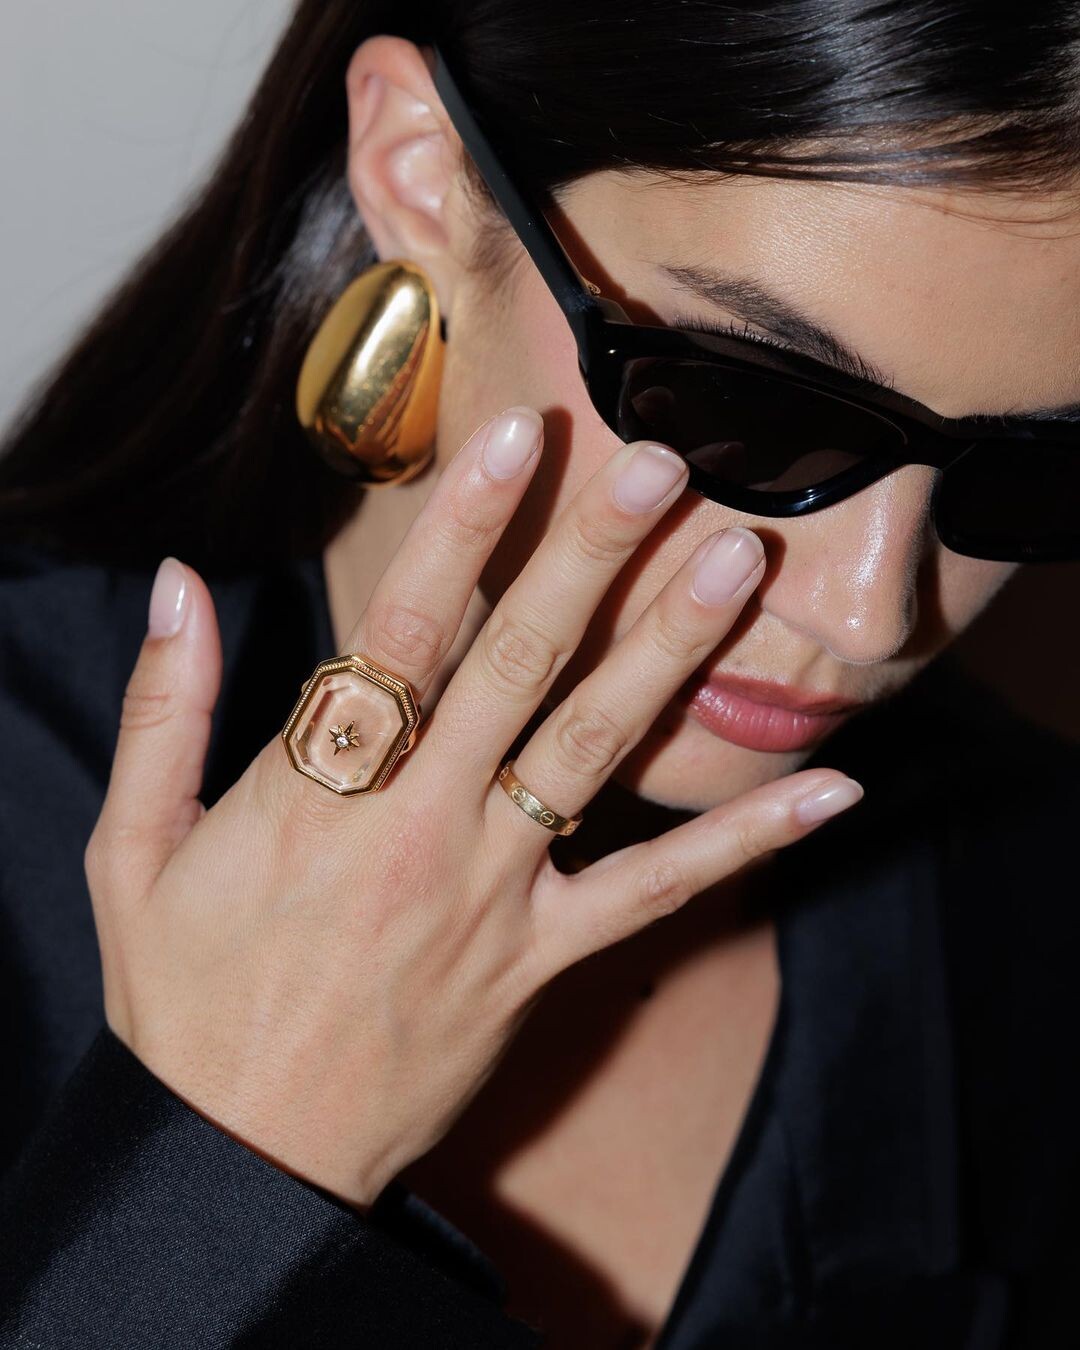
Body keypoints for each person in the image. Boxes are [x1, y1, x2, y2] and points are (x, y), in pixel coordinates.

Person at [1, 3, 1078, 1346]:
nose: (873, 612)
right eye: (755, 409)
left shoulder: (1037, 924)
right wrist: (223, 1161)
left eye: (1036, 469)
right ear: (421, 172)